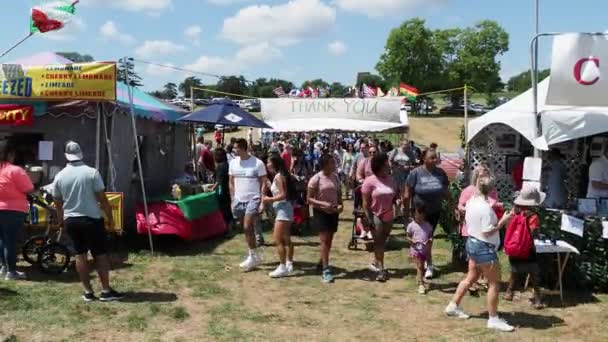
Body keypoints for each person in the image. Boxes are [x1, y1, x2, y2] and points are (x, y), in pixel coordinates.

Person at [54, 141, 123, 302]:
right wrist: (110, 219)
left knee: (80, 255)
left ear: (66, 155)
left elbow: (58, 203)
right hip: (91, 219)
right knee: (100, 254)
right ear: (81, 154)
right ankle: (105, 291)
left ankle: (88, 291)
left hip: (71, 220)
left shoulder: (60, 175)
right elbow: (103, 199)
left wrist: (60, 221)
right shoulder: (92, 173)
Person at [445, 176, 515, 332]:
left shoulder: (471, 202)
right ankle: (493, 318)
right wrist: (503, 221)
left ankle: (453, 305)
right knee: (494, 283)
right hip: (484, 248)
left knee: (471, 278)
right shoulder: (485, 209)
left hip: (472, 243)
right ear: (491, 190)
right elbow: (488, 231)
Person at [404, 149, 449, 279]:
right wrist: (406, 212)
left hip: (435, 211)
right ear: (424, 159)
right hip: (420, 214)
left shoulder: (440, 173)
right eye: (432, 158)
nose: (435, 160)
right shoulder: (415, 173)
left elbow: (445, 191)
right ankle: (426, 264)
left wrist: (453, 205)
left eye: (436, 157)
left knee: (429, 239)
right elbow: (407, 194)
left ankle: (426, 264)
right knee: (423, 239)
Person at [504, 187, 546, 309]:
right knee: (533, 274)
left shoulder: (517, 213)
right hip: (527, 250)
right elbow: (532, 233)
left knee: (514, 272)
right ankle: (537, 299)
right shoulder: (534, 216)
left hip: (514, 248)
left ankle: (509, 293)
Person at [229, 138, 267, 271]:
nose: (234, 150)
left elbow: (263, 183)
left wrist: (262, 201)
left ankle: (253, 256)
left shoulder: (258, 163)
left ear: (243, 148)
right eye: (234, 148)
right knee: (246, 229)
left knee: (247, 226)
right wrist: (233, 198)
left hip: (254, 198)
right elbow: (231, 181)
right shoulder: (233, 163)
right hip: (239, 200)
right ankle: (253, 255)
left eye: (236, 148)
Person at [0, 140, 34, 280]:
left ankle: (3, 267)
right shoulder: (15, 170)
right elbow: (29, 188)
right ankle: (12, 272)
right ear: (10, 154)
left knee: (1, 239)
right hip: (13, 211)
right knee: (11, 241)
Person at [362, 153, 398, 282]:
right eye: (386, 162)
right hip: (375, 215)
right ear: (380, 164)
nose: (389, 164)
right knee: (379, 243)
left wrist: (397, 201)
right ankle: (382, 270)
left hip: (389, 214)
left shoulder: (391, 180)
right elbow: (365, 203)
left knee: (383, 241)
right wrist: (369, 218)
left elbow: (394, 195)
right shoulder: (370, 181)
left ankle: (376, 261)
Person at [307, 154, 343, 283]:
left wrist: (340, 205)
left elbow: (338, 193)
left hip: (333, 212)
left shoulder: (335, 177)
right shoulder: (315, 179)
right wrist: (323, 204)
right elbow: (309, 199)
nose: (334, 165)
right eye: (332, 163)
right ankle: (326, 269)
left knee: (329, 239)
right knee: (324, 240)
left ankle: (322, 261)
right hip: (321, 213)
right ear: (325, 164)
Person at [264, 155, 296, 278]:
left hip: (283, 210)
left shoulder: (278, 176)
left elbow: (283, 195)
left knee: (277, 239)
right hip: (285, 209)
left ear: (274, 164)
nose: (267, 164)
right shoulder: (279, 175)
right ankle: (289, 263)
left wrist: (269, 199)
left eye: (268, 162)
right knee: (286, 238)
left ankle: (282, 266)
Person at [407, 202, 433, 294]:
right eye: (416, 215)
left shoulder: (428, 225)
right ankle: (421, 285)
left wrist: (429, 241)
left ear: (424, 214)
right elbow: (408, 236)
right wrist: (412, 241)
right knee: (420, 266)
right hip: (416, 250)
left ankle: (419, 278)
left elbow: (430, 236)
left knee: (422, 267)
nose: (418, 217)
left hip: (425, 250)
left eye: (420, 215)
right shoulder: (411, 226)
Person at [212, 149, 232, 226]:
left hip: (222, 190)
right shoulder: (226, 164)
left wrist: (211, 189)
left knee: (224, 208)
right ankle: (231, 224)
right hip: (227, 189)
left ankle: (227, 225)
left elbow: (218, 181)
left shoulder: (220, 166)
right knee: (227, 207)